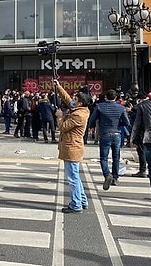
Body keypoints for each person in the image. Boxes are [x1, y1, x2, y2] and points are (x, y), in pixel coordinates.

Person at [53, 79, 91, 214]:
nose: (73, 100)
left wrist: (60, 117)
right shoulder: (80, 109)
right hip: (73, 147)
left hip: (71, 148)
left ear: (80, 103)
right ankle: (82, 200)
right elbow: (68, 100)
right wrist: (58, 87)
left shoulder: (78, 115)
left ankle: (76, 204)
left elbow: (63, 127)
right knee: (75, 176)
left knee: (73, 178)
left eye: (76, 99)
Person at [88, 89, 130, 190]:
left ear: (105, 97)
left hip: (104, 133)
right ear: (115, 98)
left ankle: (107, 174)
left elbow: (92, 119)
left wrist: (92, 127)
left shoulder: (100, 106)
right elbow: (127, 122)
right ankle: (115, 177)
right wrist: (118, 124)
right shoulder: (121, 108)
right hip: (116, 133)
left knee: (104, 157)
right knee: (116, 157)